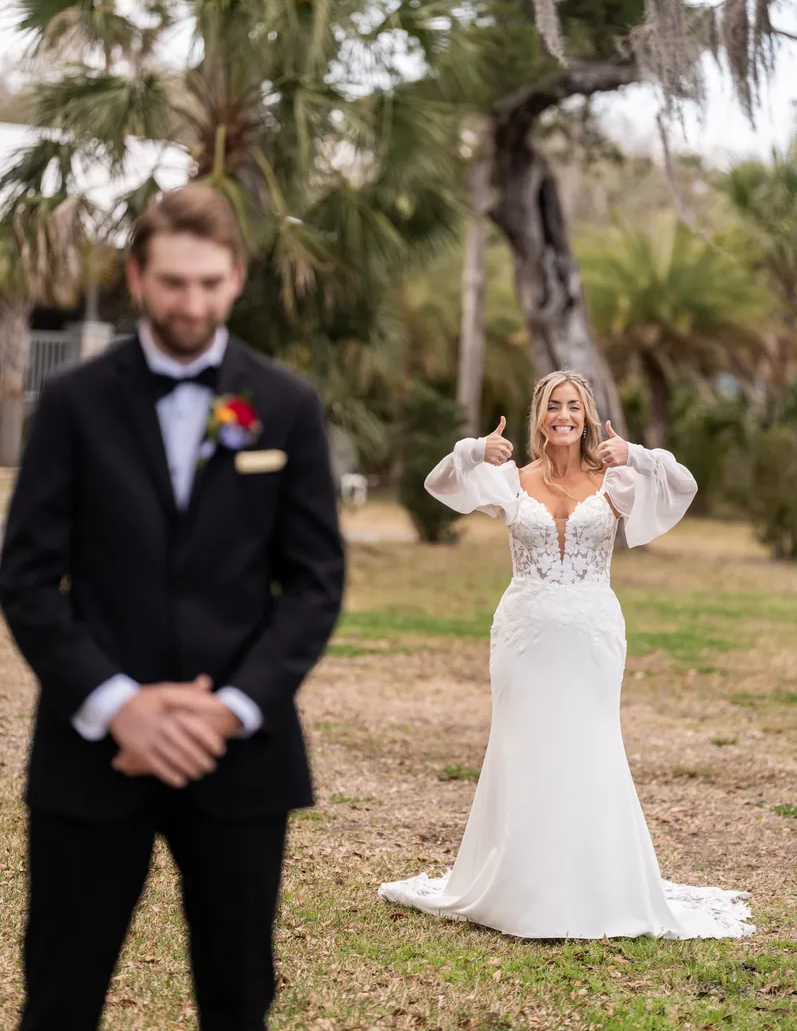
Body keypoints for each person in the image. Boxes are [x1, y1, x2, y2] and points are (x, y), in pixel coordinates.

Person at [0, 184, 345, 1030]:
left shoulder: (286, 406)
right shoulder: (74, 403)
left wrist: (226, 712)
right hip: (92, 754)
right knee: (60, 995)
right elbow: (27, 576)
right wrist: (120, 706)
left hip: (239, 755)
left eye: (208, 283)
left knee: (237, 998)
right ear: (137, 278)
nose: (191, 303)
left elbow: (314, 583)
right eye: (172, 283)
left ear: (236, 279)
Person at [379, 370, 754, 940]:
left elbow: (683, 486)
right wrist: (475, 449)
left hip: (593, 634)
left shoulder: (615, 479)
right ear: (539, 415)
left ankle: (596, 885)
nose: (564, 416)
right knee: (521, 746)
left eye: (574, 407)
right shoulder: (510, 479)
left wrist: (639, 454)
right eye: (554, 406)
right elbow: (440, 482)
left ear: (586, 416)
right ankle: (522, 885)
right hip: (524, 633)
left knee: (590, 744)